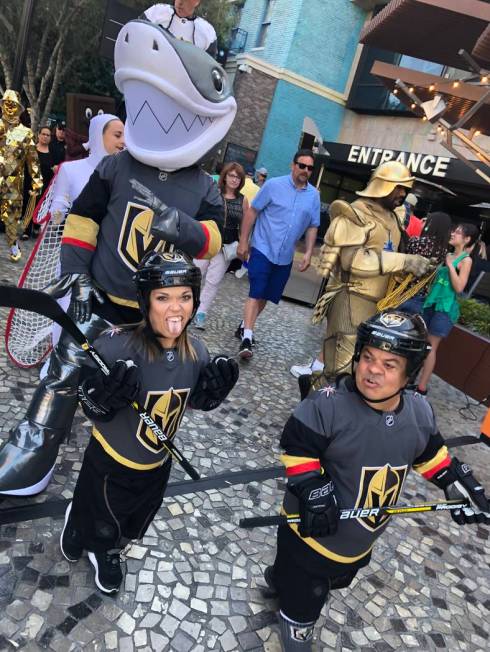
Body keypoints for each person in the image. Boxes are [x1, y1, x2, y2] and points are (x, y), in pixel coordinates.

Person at [0, 18, 237, 496]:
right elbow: (84, 220)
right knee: (64, 373)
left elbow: (217, 239)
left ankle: (124, 471)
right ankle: (34, 449)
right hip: (101, 300)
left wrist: (185, 229)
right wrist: (75, 275)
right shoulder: (115, 165)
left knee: (146, 396)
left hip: (159, 316)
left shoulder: (204, 187)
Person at [266, 310, 490, 650]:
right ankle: (295, 621)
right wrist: (312, 487)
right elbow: (297, 449)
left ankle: (280, 579)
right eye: (368, 357)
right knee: (305, 596)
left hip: (360, 540)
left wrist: (451, 479)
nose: (373, 370)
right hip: (309, 536)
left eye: (389, 364)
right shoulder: (327, 404)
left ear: (409, 373)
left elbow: (430, 455)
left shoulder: (419, 412)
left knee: (333, 577)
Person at [60, 250, 239, 593]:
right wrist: (101, 398)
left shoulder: (197, 352)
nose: (176, 308)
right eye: (163, 297)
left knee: (133, 519)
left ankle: (108, 545)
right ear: (145, 301)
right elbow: (86, 402)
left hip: (156, 464)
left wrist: (210, 395)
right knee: (97, 511)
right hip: (108, 461)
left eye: (185, 296)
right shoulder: (114, 348)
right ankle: (85, 529)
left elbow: (189, 402)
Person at [289, 161, 433, 393]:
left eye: (405, 189)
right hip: (350, 298)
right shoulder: (355, 213)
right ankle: (317, 412)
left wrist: (411, 267)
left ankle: (332, 412)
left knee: (358, 368)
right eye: (398, 188)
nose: (403, 194)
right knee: (340, 368)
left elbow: (387, 256)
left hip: (377, 305)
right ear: (383, 186)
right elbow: (352, 260)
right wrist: (404, 261)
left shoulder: (394, 219)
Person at [236, 149, 320, 360]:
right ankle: (247, 337)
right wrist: (244, 241)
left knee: (266, 295)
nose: (305, 170)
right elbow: (252, 211)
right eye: (302, 165)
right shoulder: (273, 185)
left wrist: (309, 252)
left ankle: (245, 324)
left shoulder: (314, 195)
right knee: (256, 291)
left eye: (310, 168)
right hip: (263, 248)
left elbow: (312, 226)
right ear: (293, 165)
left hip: (285, 256)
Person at [414, 223, 478, 394]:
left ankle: (422, 387)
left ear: (467, 239)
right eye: (454, 231)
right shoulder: (448, 254)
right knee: (421, 342)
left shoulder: (466, 260)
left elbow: (459, 288)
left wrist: (450, 265)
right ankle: (411, 378)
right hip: (431, 303)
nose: (453, 234)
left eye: (458, 233)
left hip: (445, 308)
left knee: (430, 346)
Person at [194, 162, 249, 329]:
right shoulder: (213, 193)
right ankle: (188, 306)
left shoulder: (243, 200)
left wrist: (244, 243)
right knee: (195, 276)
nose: (234, 180)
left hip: (226, 247)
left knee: (213, 281)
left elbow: (246, 224)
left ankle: (200, 313)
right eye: (231, 176)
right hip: (207, 241)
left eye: (238, 177)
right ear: (224, 177)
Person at [0, 89, 43, 261]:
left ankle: (13, 244)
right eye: (6, 103)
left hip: (13, 181)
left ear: (19, 108)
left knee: (12, 217)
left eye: (13, 104)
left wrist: (37, 181)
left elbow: (33, 159)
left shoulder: (26, 133)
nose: (9, 108)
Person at [144, 1, 217, 57]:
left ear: (196, 1)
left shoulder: (207, 33)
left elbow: (206, 69)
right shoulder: (156, 12)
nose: (180, 2)